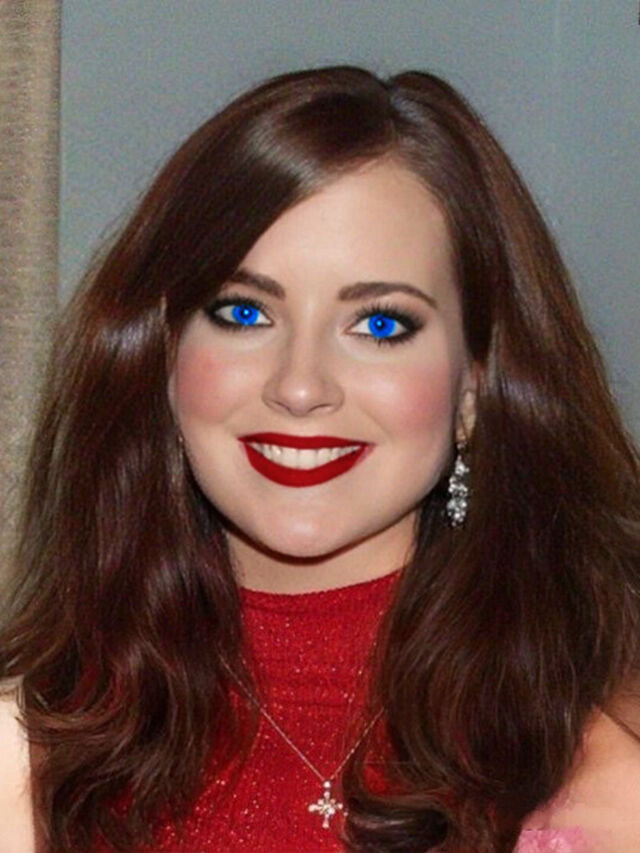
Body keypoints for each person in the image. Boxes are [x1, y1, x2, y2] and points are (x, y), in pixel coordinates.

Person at [0, 65, 639, 853]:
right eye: (243, 313)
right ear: (160, 358)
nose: (300, 386)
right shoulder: (30, 763)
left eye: (380, 325)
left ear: (475, 383)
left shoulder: (607, 769)